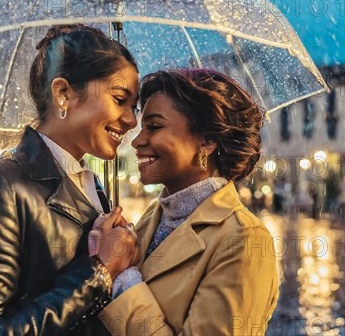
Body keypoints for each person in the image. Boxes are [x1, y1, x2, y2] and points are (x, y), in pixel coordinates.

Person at [0, 25, 140, 335]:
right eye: (119, 99)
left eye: (134, 106)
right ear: (63, 93)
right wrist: (98, 273)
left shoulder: (91, 186)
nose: (131, 120)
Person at [98, 69, 279, 335]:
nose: (137, 141)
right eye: (141, 127)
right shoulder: (153, 216)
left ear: (207, 142)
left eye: (155, 126)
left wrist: (122, 279)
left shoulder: (244, 240)